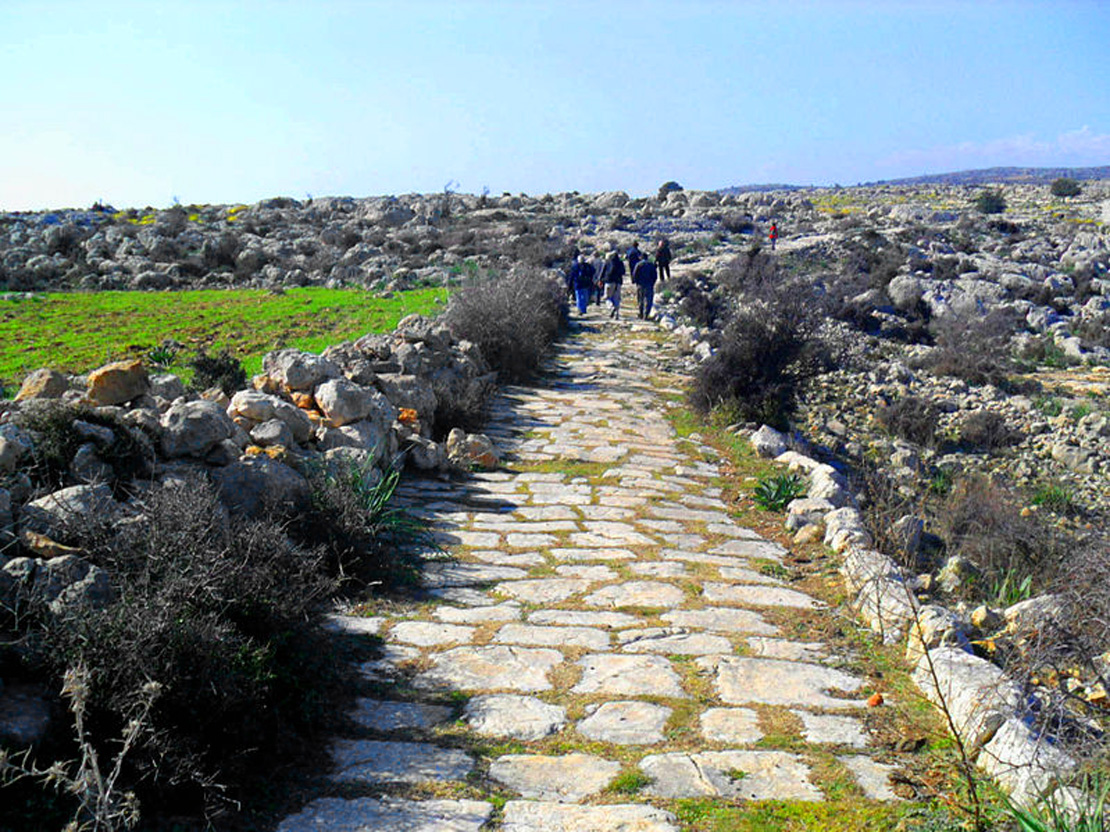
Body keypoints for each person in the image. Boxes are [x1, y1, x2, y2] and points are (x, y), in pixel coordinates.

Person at [599, 248, 625, 319]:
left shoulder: (607, 262)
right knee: (616, 298)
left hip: (609, 282)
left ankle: (611, 307)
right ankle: (616, 313)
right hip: (618, 282)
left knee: (607, 297)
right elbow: (623, 272)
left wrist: (600, 280)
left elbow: (602, 272)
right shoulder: (620, 263)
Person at [632, 256, 657, 320]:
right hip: (649, 284)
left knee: (640, 299)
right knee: (648, 300)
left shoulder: (639, 264)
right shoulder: (651, 265)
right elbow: (655, 275)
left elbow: (634, 274)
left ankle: (641, 313)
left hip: (640, 284)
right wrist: (652, 283)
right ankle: (646, 314)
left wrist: (635, 282)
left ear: (641, 257)